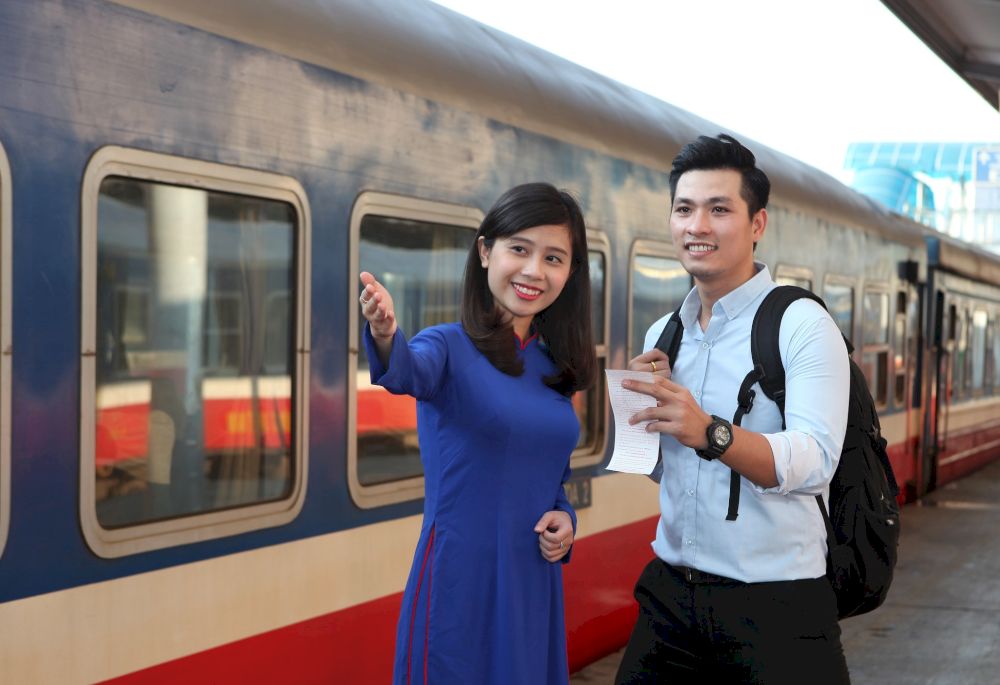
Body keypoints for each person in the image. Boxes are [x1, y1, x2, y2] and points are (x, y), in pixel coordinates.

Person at [614, 134, 852, 684]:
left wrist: (710, 432)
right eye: (684, 208)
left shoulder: (800, 324)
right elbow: (668, 472)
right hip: (671, 595)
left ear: (757, 224)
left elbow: (816, 461)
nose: (697, 226)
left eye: (719, 209)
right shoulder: (666, 333)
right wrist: (641, 421)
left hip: (776, 605)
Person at [359, 182, 596, 685]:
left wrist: (565, 518)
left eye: (554, 258)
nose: (534, 271)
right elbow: (405, 372)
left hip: (532, 579)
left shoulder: (554, 366)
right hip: (461, 580)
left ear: (571, 273)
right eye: (519, 249)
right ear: (486, 251)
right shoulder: (446, 346)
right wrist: (384, 335)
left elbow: (550, 475)